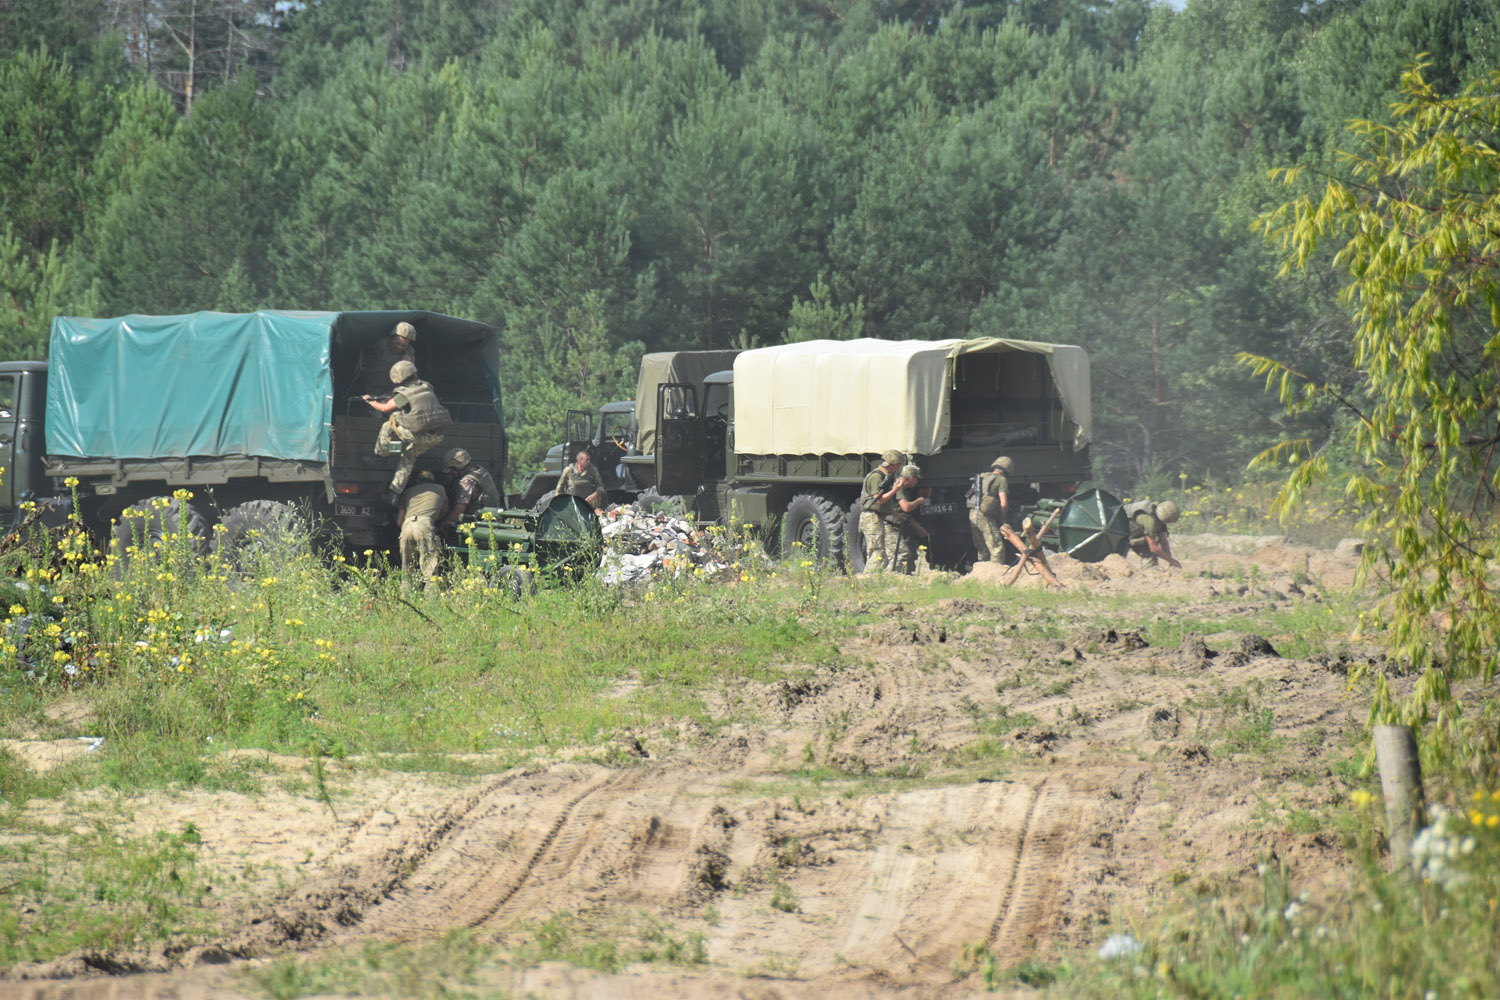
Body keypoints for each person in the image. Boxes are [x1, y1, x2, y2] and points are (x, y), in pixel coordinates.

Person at [362, 360, 452, 497]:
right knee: (409, 457)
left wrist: (370, 401)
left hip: (418, 436)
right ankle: (394, 493)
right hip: (436, 437)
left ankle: (380, 456)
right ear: (414, 373)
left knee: (389, 423)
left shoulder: (404, 394)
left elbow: (385, 408)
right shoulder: (427, 386)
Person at [858, 450, 904, 573]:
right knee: (876, 550)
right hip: (871, 516)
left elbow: (884, 504)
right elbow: (879, 500)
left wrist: (896, 514)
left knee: (887, 551)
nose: (898, 467)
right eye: (898, 464)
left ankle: (886, 576)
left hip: (879, 516)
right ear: (892, 463)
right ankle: (869, 578)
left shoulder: (886, 476)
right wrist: (895, 489)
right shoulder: (876, 476)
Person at [396, 479, 449, 585]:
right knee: (429, 564)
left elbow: (399, 521)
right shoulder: (440, 489)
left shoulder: (408, 491)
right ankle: (431, 592)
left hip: (407, 524)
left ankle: (406, 591)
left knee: (407, 565)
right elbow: (444, 510)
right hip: (424, 524)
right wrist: (433, 521)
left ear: (418, 481)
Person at [438, 448, 501, 529]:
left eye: (452, 470)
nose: (451, 473)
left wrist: (441, 525)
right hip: (492, 520)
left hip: (477, 526)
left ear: (458, 469)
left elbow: (458, 512)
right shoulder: (479, 470)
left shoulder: (466, 482)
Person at [969, 455, 1014, 563]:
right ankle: (996, 572)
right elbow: (1003, 504)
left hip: (973, 514)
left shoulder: (982, 477)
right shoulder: (1001, 480)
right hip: (984, 516)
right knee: (997, 548)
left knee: (982, 549)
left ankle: (982, 571)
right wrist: (1004, 521)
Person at [359, 321, 417, 397]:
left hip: (393, 389)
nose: (399, 347)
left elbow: (413, 376)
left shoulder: (409, 351)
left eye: (404, 345)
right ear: (392, 338)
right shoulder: (380, 344)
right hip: (373, 386)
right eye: (397, 343)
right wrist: (360, 364)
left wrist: (409, 365)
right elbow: (363, 345)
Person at [890, 463, 931, 573]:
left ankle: (905, 574)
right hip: (892, 525)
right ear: (912, 478)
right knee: (902, 553)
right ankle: (895, 574)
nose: (917, 482)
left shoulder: (904, 487)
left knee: (907, 552)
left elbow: (905, 515)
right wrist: (919, 501)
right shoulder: (899, 487)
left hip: (900, 522)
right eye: (916, 479)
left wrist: (918, 528)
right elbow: (906, 507)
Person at [1128, 499, 1183, 568]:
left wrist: (1170, 561)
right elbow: (1153, 547)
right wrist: (1172, 561)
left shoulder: (1158, 517)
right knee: (1150, 553)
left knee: (1156, 538)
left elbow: (1163, 540)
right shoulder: (1151, 522)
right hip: (1126, 530)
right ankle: (1148, 566)